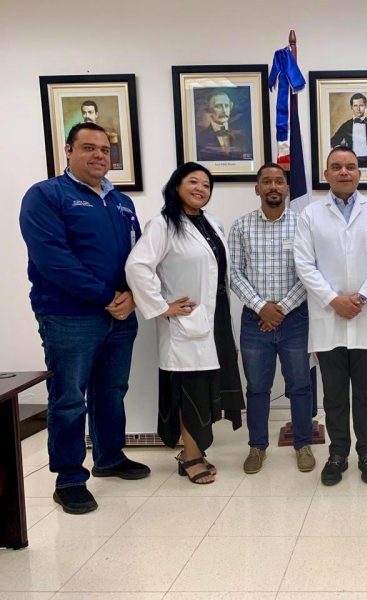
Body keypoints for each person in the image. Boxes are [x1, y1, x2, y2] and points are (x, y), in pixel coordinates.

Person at [19, 122, 149, 515]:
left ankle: (109, 456)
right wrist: (107, 296)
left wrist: (133, 296)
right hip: (69, 315)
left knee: (112, 390)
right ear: (68, 151)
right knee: (69, 398)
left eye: (105, 150)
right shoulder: (47, 195)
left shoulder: (121, 203)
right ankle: (70, 478)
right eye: (89, 147)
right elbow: (54, 260)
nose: (98, 155)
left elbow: (137, 257)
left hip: (120, 315)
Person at [125, 162, 244, 484]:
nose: (200, 189)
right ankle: (190, 455)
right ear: (176, 186)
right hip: (185, 321)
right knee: (190, 389)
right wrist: (161, 306)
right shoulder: (163, 225)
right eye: (193, 182)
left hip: (215, 316)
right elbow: (137, 266)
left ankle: (194, 451)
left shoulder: (212, 223)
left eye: (206, 185)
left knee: (207, 386)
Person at [294, 145, 367, 486]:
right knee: (335, 396)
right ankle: (338, 453)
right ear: (326, 174)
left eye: (350, 166)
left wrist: (362, 298)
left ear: (359, 173)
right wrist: (333, 299)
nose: (344, 172)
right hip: (329, 317)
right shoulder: (311, 214)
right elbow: (304, 263)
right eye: (336, 167)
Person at [228, 162, 315, 474]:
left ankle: (303, 444)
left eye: (279, 181)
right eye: (267, 181)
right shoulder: (241, 226)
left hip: (295, 319)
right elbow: (234, 273)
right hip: (255, 321)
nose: (273, 187)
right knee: (257, 387)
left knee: (300, 385)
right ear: (257, 188)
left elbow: (310, 272)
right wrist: (261, 307)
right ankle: (257, 447)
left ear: (288, 188)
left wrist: (281, 309)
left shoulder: (303, 225)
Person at [330, 93, 367, 168]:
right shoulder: (346, 126)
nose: (358, 109)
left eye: (361, 105)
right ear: (351, 107)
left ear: (365, 106)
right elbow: (333, 141)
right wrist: (341, 151)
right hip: (351, 162)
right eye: (355, 106)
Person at [196, 89, 253, 161]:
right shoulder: (201, 138)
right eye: (218, 106)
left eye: (226, 106)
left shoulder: (242, 136)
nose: (224, 110)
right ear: (210, 110)